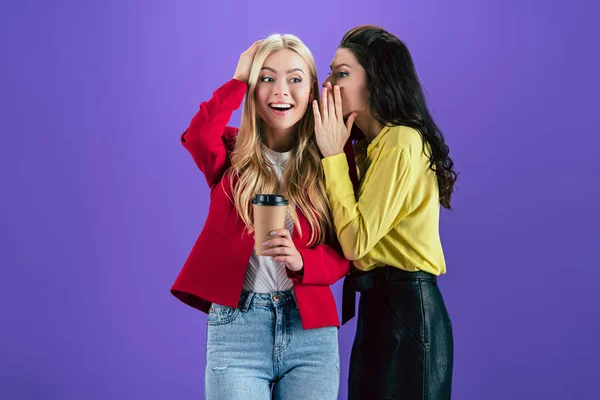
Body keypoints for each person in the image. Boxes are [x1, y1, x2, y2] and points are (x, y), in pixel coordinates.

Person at [170, 34, 351, 399]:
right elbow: (198, 134)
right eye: (267, 78)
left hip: (310, 331)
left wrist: (304, 261)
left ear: (312, 88)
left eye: (295, 79)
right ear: (254, 88)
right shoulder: (232, 155)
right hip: (238, 327)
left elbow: (348, 248)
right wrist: (238, 79)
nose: (280, 91)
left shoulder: (332, 158)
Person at [313, 25, 457, 399]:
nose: (327, 83)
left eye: (341, 73)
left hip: (407, 311)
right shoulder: (366, 151)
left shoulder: (401, 140)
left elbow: (356, 242)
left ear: (376, 79)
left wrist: (331, 158)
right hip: (378, 308)